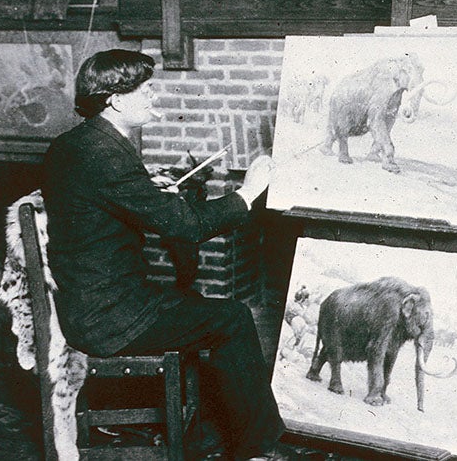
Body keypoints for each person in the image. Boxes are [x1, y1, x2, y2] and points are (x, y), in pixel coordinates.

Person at [41, 49, 284, 461]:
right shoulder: (106, 153)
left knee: (199, 306)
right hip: (109, 318)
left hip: (91, 302)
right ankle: (258, 448)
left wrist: (148, 192)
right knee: (233, 317)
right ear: (117, 100)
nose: (155, 96)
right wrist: (247, 192)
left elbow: (98, 203)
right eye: (147, 88)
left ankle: (203, 434)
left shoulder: (75, 143)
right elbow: (188, 227)